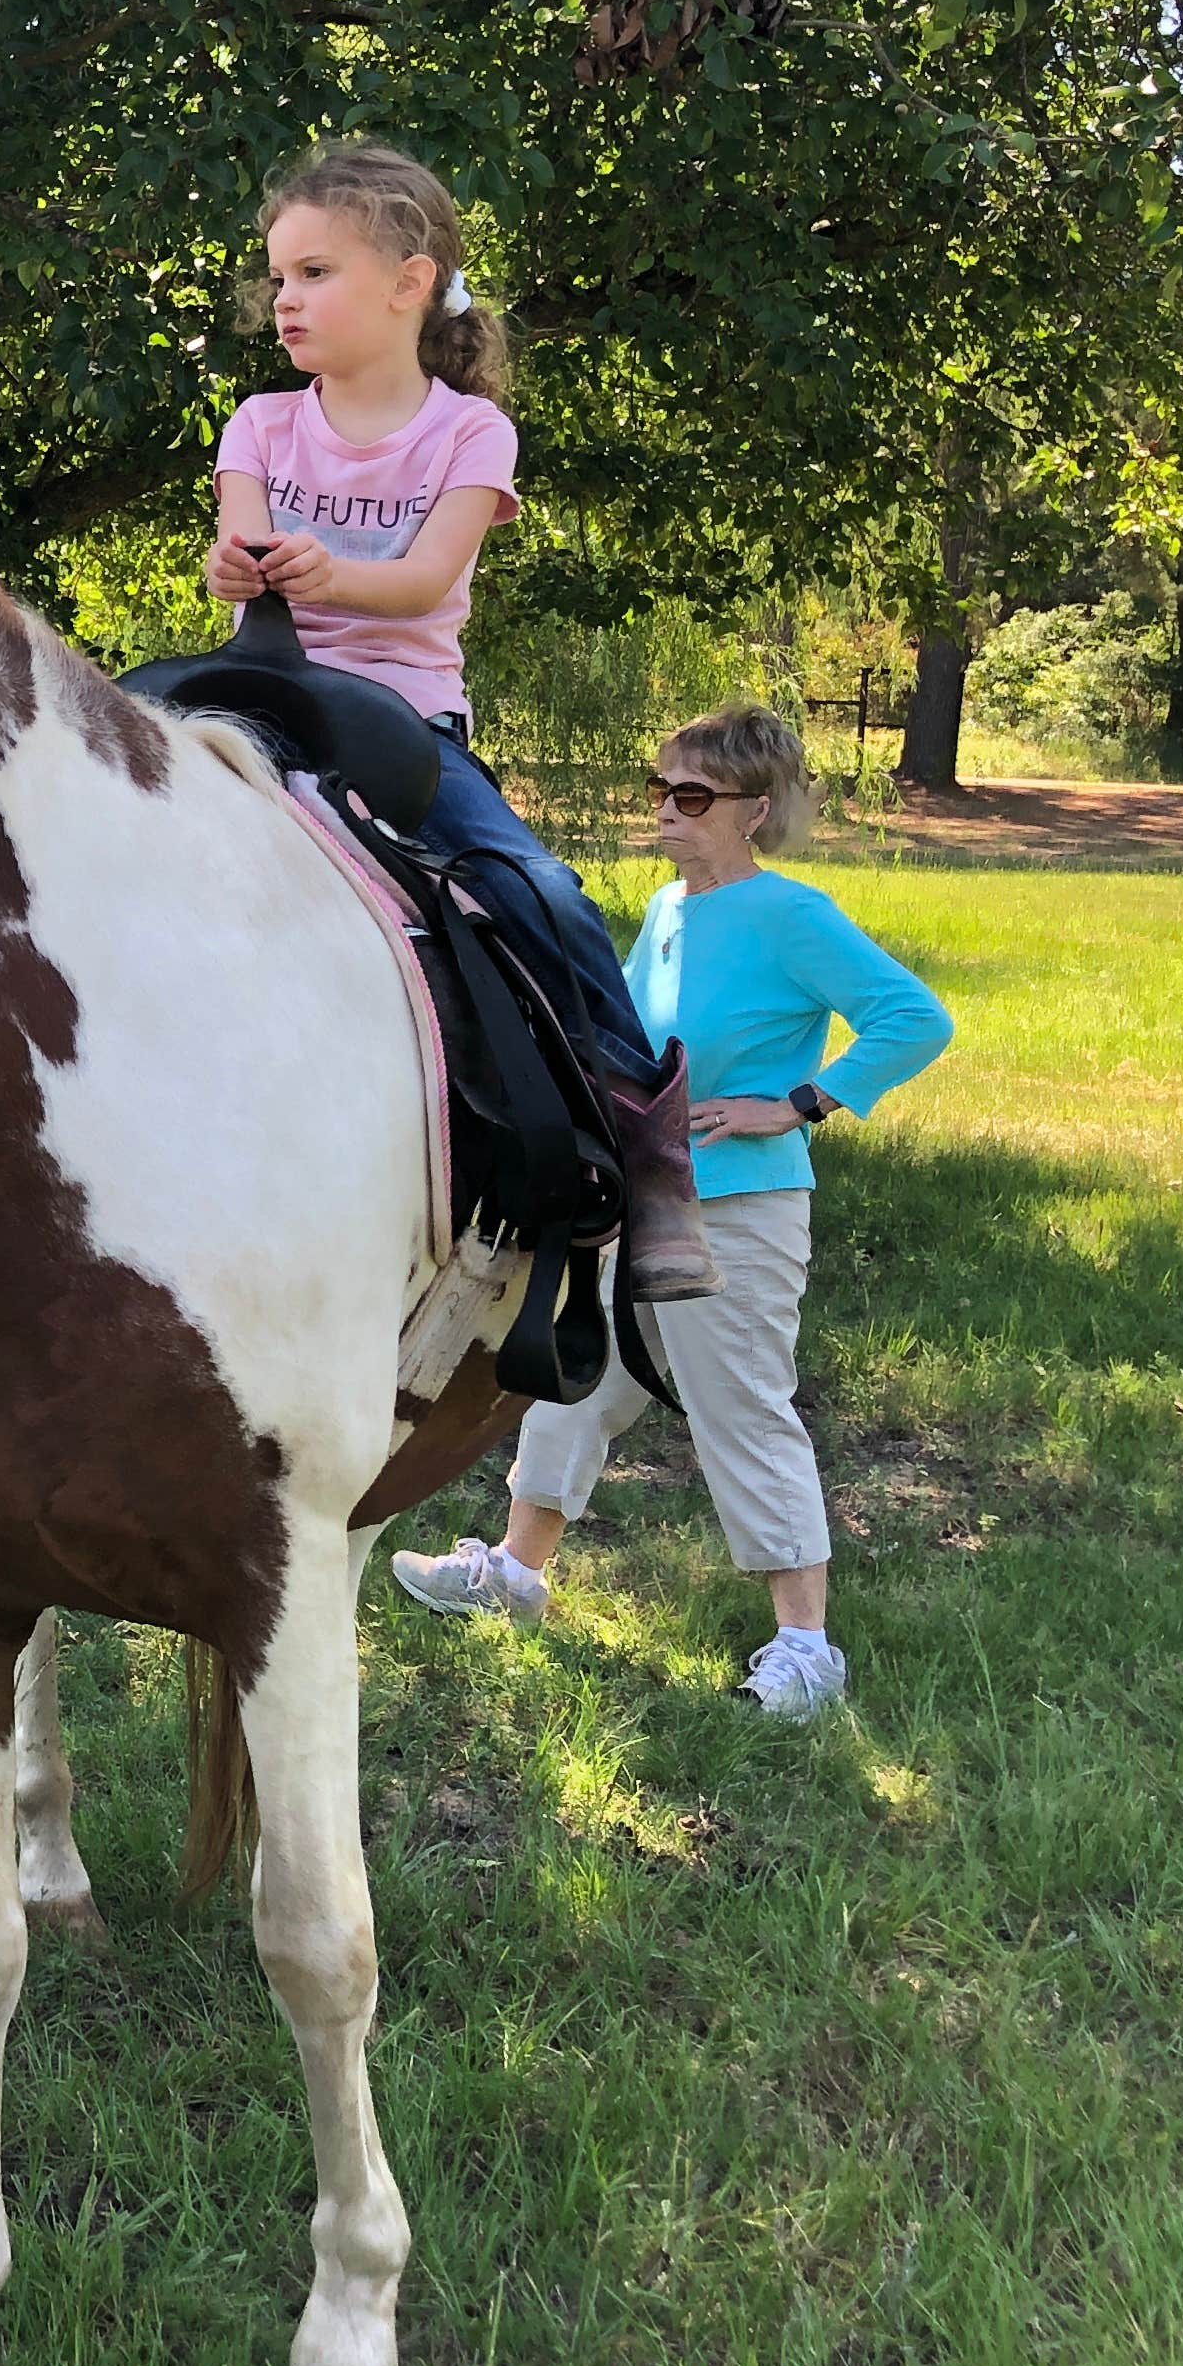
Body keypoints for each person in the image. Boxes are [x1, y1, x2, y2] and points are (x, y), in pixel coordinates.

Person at [206, 136, 717, 1299]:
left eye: (317, 273)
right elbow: (228, 548)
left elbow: (432, 579)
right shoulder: (262, 423)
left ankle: (649, 1148)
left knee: (535, 889)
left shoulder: (469, 433)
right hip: (260, 695)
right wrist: (235, 571)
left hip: (400, 721)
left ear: (410, 281)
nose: (286, 298)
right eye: (280, 276)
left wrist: (324, 571)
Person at [390, 706, 953, 1719]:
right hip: (644, 1198)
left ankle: (806, 1650)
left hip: (741, 1210)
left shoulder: (792, 916)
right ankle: (516, 1576)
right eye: (660, 790)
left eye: (691, 797)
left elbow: (915, 1016)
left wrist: (799, 1101)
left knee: (742, 1408)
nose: (667, 810)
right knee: (578, 1387)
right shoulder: (666, 909)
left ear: (755, 810)